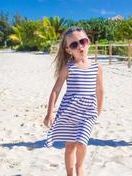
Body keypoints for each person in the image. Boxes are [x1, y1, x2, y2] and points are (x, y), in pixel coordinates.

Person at [43, 26, 104, 176]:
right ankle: (70, 173)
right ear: (68, 50)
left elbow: (100, 89)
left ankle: (79, 167)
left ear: (88, 42)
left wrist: (99, 111)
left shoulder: (97, 67)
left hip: (88, 111)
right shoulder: (68, 67)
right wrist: (49, 113)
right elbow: (56, 90)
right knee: (70, 146)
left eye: (82, 41)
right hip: (70, 111)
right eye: (74, 45)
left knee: (82, 142)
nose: (80, 46)